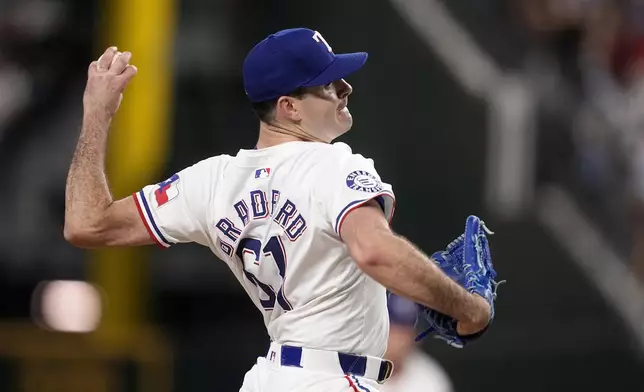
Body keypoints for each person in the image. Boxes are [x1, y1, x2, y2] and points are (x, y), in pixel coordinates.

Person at [64, 28, 491, 392]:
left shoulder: (212, 181)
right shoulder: (336, 163)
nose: (346, 89)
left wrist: (96, 117)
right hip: (333, 380)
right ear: (288, 107)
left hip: (270, 378)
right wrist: (467, 307)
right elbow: (375, 252)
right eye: (329, 84)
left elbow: (86, 224)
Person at [382, 294, 454, 392]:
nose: (399, 340)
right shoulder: (357, 368)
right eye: (393, 330)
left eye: (405, 332)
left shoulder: (430, 379)